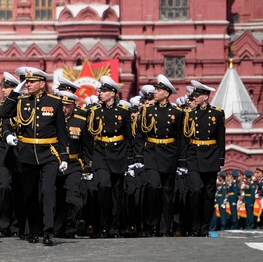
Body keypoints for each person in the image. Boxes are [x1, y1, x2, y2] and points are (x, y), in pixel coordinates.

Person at [0, 67, 68, 246]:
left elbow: (62, 132)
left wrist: (64, 156)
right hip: (28, 154)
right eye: (26, 81)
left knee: (47, 192)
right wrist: (15, 92)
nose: (27, 84)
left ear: (42, 83)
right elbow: (3, 113)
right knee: (29, 195)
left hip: (49, 154)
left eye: (31, 82)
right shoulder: (21, 101)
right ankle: (33, 229)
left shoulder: (54, 102)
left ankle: (48, 231)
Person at [134, 75, 184, 237]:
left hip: (169, 155)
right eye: (156, 89)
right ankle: (150, 224)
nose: (155, 92)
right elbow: (140, 135)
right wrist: (139, 158)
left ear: (167, 94)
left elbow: (181, 138)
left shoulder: (177, 112)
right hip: (152, 153)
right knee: (154, 187)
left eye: (159, 90)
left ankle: (164, 227)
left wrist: (181, 161)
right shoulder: (147, 110)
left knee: (167, 193)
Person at [87, 76, 133, 238]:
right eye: (101, 91)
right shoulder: (95, 111)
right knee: (104, 187)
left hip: (118, 153)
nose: (101, 93)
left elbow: (129, 137)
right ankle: (102, 225)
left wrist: (131, 160)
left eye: (105, 91)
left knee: (117, 192)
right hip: (101, 152)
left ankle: (115, 226)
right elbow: (88, 137)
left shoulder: (123, 112)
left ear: (113, 93)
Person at [181, 80, 225, 236]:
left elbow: (221, 137)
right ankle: (194, 225)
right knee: (196, 189)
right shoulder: (190, 114)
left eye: (197, 95)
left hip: (211, 156)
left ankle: (204, 227)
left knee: (208, 193)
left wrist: (221, 159)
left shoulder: (217, 113)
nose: (194, 98)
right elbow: (185, 138)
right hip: (194, 155)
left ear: (205, 97)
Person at [56, 90, 93, 238]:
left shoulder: (80, 121)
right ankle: (58, 228)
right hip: (56, 163)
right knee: (58, 196)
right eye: (62, 106)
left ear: (73, 106)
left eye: (67, 106)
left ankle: (72, 226)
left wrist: (87, 166)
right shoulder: (53, 120)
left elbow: (87, 146)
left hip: (74, 164)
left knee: (73, 196)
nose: (64, 109)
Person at [0, 72, 26, 239]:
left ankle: (17, 225)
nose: (4, 90)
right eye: (3, 87)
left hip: (21, 154)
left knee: (20, 190)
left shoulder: (25, 106)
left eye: (8, 87)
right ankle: (2, 225)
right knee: (4, 188)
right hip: (4, 154)